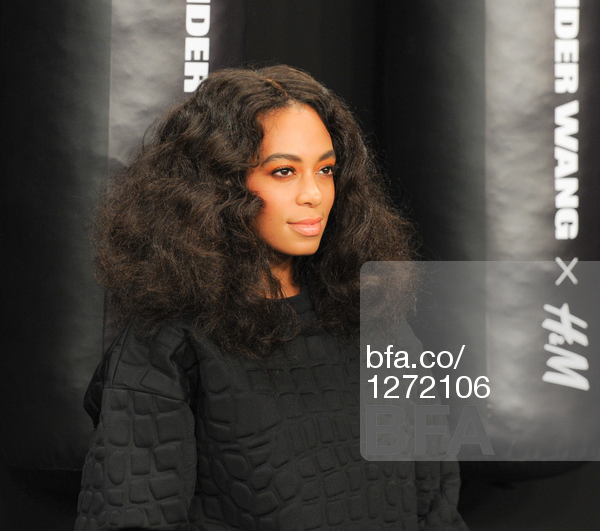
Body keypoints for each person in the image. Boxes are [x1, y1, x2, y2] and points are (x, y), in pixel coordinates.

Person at [75, 65, 467, 530]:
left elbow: (436, 504)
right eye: (284, 171)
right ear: (218, 185)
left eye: (325, 170)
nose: (314, 194)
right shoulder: (166, 346)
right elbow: (130, 513)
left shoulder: (377, 321)